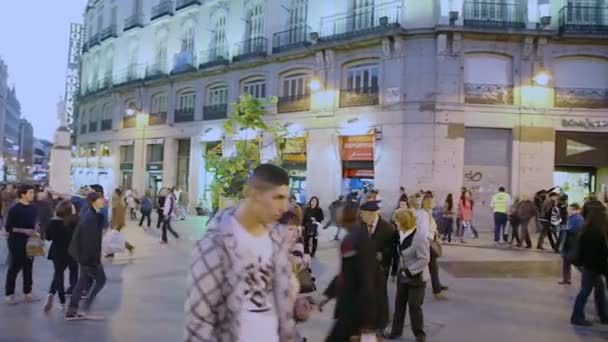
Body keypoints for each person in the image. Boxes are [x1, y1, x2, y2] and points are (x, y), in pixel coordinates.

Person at [184, 164, 312, 341]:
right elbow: (199, 320)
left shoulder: (275, 240)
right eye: (278, 197)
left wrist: (294, 305)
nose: (284, 207)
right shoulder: (214, 245)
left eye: (286, 198)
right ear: (255, 194)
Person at [317, 203, 379, 341]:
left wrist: (367, 321)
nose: (335, 214)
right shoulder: (356, 236)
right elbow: (347, 274)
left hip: (355, 309)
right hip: (353, 309)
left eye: (339, 211)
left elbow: (366, 277)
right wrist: (327, 295)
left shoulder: (353, 240)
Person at [385, 208, 429, 342]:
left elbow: (424, 259)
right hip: (402, 275)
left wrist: (409, 271)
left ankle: (419, 334)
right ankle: (396, 332)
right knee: (399, 305)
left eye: (397, 221)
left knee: (414, 307)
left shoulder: (419, 237)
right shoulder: (399, 233)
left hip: (417, 277)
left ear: (403, 222)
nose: (395, 223)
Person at [65, 192, 107, 320]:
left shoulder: (93, 214)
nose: (103, 200)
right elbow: (89, 240)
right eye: (101, 199)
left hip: (85, 256)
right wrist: (92, 259)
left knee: (82, 281)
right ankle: (84, 307)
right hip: (88, 257)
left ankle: (72, 310)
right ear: (94, 201)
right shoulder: (91, 217)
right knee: (100, 280)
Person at [359, 200, 397, 333]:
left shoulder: (388, 228)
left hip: (381, 267)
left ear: (373, 214)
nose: (362, 217)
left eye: (364, 214)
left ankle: (382, 322)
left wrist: (383, 254)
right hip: (364, 266)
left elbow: (393, 249)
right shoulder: (361, 225)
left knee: (380, 294)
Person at [570, 204, 608, 326]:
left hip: (588, 265)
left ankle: (603, 315)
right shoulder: (596, 232)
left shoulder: (587, 228)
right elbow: (598, 252)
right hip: (594, 266)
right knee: (586, 291)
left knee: (597, 289)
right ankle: (577, 316)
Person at [4, 185, 39, 304]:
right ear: (23, 194)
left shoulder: (33, 208)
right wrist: (24, 230)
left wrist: (36, 228)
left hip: (31, 241)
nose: (32, 195)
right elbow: (8, 227)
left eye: (33, 192)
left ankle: (28, 292)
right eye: (30, 192)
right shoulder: (15, 209)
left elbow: (33, 222)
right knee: (15, 266)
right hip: (16, 241)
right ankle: (9, 294)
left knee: (28, 266)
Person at [44, 200, 79, 312]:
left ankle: (60, 301)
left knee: (58, 275)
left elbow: (48, 237)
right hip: (72, 252)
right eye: (72, 207)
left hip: (57, 252)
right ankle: (73, 301)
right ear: (68, 210)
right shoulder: (73, 221)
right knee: (74, 276)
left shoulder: (52, 222)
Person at [418, 194, 448, 300]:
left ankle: (437, 286)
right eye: (432, 202)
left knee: (433, 267)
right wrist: (426, 244)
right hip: (426, 243)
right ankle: (437, 290)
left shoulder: (428, 213)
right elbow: (423, 232)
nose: (434, 203)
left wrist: (437, 235)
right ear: (426, 202)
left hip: (430, 242)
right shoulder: (423, 214)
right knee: (432, 267)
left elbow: (433, 228)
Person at [559, 203, 584, 285]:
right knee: (566, 262)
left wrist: (566, 229)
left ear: (577, 210)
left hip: (573, 242)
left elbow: (577, 229)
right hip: (568, 242)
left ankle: (587, 277)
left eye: (571, 209)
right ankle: (566, 279)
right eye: (569, 209)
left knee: (574, 262)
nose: (569, 211)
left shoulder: (579, 218)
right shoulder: (570, 217)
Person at [107, 189, 134, 256]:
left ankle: (128, 247)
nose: (113, 194)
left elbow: (119, 216)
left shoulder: (118, 203)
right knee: (114, 238)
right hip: (116, 223)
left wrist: (114, 224)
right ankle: (128, 247)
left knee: (113, 238)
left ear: (117, 194)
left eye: (114, 193)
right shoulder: (117, 202)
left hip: (117, 224)